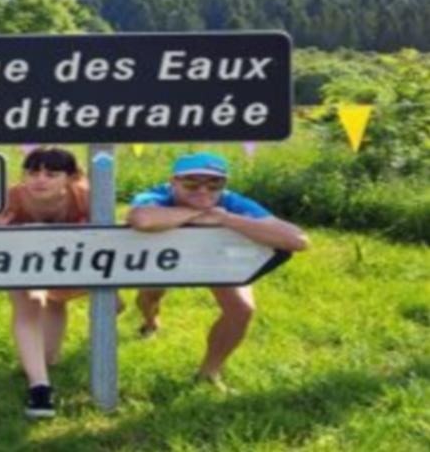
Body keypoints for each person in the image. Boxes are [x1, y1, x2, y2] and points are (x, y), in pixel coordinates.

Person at [0, 146, 122, 419]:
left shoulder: (87, 198)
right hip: (20, 262)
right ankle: (40, 388)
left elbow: (112, 242)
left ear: (71, 178)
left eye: (51, 174)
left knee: (58, 338)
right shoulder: (7, 198)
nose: (40, 180)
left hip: (73, 263)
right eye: (33, 173)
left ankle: (49, 360)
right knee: (29, 303)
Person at [127, 152, 309, 388]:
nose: (203, 191)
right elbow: (142, 220)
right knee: (151, 295)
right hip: (165, 258)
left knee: (241, 309)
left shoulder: (232, 202)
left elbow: (297, 240)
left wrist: (226, 219)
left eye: (214, 184)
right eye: (192, 183)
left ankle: (209, 373)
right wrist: (198, 214)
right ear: (173, 182)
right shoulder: (156, 195)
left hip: (216, 258)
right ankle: (150, 322)